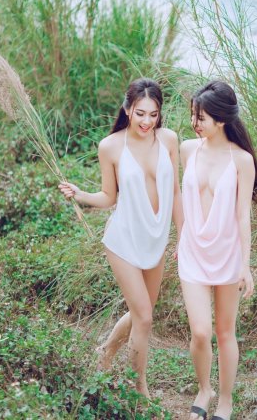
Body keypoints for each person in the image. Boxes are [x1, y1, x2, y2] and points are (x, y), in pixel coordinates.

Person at [58, 77, 183, 398]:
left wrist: (182, 236)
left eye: (153, 114)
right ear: (127, 109)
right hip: (123, 240)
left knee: (142, 311)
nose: (146, 122)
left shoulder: (169, 140)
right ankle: (138, 390)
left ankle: (106, 352)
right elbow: (108, 197)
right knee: (144, 317)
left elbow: (176, 192)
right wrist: (80, 194)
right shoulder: (111, 146)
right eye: (140, 113)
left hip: (156, 240)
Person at [178, 80, 257, 420]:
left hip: (227, 254)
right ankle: (204, 389)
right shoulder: (187, 149)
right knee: (200, 332)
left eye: (201, 117)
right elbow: (180, 198)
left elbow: (243, 214)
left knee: (225, 332)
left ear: (222, 119)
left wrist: (246, 264)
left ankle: (225, 400)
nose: (195, 123)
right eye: (193, 115)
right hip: (193, 252)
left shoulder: (241, 160)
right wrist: (181, 237)